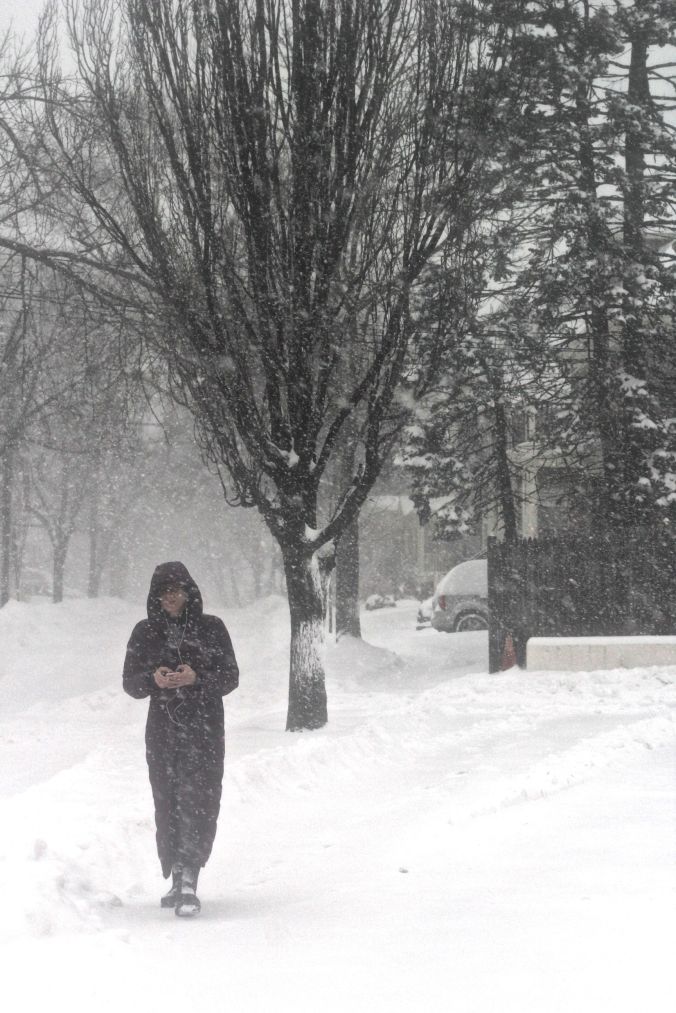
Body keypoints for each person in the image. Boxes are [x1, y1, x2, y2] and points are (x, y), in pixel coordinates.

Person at [123, 561, 239, 917]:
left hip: (204, 729)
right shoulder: (145, 632)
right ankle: (176, 875)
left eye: (175, 590)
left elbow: (230, 676)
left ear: (189, 593)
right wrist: (154, 679)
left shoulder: (211, 628)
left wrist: (196, 678)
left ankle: (190, 877)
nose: (170, 597)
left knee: (199, 798)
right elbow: (130, 683)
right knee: (168, 800)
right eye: (163, 592)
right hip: (163, 730)